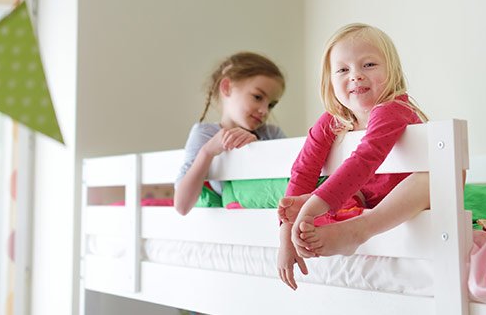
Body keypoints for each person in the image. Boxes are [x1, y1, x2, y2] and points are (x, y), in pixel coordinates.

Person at [276, 23, 429, 290]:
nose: (356, 75)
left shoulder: (393, 108)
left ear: (392, 70)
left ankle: (358, 229)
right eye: (343, 70)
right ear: (330, 81)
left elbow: (365, 159)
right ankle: (339, 213)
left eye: (369, 64)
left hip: (404, 202)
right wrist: (286, 236)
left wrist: (313, 205)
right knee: (332, 189)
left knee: (433, 178)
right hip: (364, 199)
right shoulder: (332, 121)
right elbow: (303, 171)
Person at [174, 52, 287, 216]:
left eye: (271, 105)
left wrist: (258, 148)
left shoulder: (271, 133)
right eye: (257, 97)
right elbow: (182, 206)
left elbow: (290, 179)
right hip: (238, 215)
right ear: (226, 87)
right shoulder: (205, 134)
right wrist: (208, 152)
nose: (264, 110)